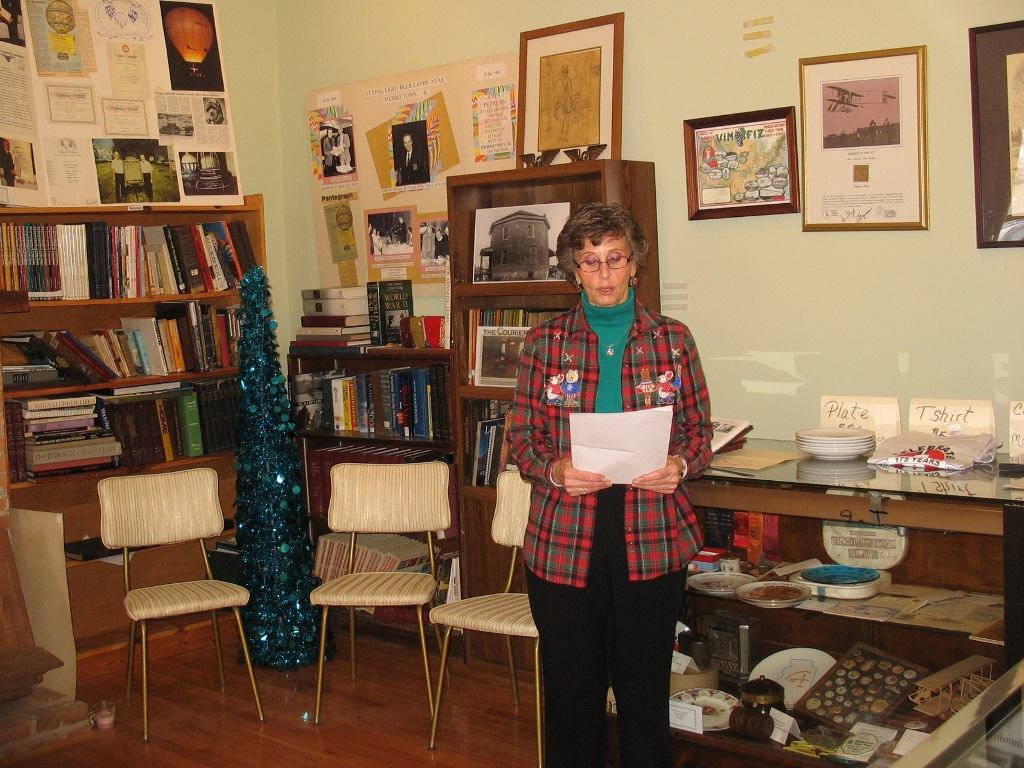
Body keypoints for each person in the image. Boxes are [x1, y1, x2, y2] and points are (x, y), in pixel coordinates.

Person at [506, 202, 713, 768]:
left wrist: (680, 465)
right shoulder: (544, 342)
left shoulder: (673, 339)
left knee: (644, 689)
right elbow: (521, 438)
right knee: (572, 691)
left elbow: (699, 432)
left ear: (634, 265)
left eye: (614, 259)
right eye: (589, 261)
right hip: (565, 536)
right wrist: (555, 470)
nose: (603, 273)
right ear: (573, 270)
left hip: (652, 532)